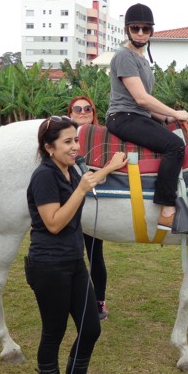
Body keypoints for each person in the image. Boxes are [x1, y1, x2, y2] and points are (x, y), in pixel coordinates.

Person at [25, 115, 128, 374]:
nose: (75, 147)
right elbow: (54, 223)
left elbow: (90, 179)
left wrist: (110, 166)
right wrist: (82, 190)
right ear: (49, 148)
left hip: (73, 263)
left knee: (91, 328)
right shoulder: (44, 176)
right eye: (67, 142)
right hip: (48, 266)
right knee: (53, 334)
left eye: (76, 140)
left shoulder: (71, 170)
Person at [105, 3, 188, 231]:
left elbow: (142, 104)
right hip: (123, 117)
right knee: (175, 146)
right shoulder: (124, 56)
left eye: (145, 29)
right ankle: (167, 207)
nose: (141, 33)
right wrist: (174, 112)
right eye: (135, 28)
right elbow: (141, 99)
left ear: (151, 31)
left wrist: (164, 118)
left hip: (138, 115)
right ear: (127, 30)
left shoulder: (141, 59)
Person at [67, 95, 108, 320]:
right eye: (77, 108)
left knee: (95, 255)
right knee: (71, 255)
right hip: (66, 206)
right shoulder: (62, 139)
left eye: (88, 109)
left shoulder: (101, 138)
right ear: (70, 113)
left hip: (90, 206)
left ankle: (99, 301)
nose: (83, 112)